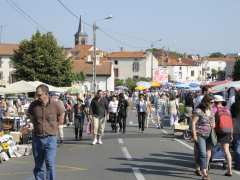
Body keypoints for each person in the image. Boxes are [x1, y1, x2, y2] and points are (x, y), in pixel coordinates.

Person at [28, 84, 65, 180]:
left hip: (51, 138)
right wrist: (32, 124)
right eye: (37, 94)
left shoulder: (56, 104)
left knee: (50, 163)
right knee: (39, 165)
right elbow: (31, 117)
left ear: (46, 94)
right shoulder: (33, 105)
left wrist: (57, 125)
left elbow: (62, 113)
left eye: (39, 95)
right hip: (37, 139)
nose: (37, 97)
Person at [192, 95, 215, 180]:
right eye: (211, 102)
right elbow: (193, 123)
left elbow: (213, 121)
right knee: (202, 153)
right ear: (206, 102)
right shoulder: (198, 111)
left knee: (204, 154)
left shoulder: (211, 110)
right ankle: (204, 173)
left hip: (209, 135)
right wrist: (194, 135)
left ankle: (199, 167)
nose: (213, 104)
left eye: (213, 102)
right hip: (200, 134)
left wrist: (213, 124)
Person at [214, 95, 233, 176]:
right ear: (221, 102)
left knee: (211, 148)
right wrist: (231, 134)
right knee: (227, 151)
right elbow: (231, 122)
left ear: (215, 102)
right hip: (228, 131)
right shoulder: (228, 110)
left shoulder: (216, 111)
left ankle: (206, 168)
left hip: (220, 132)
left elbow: (215, 124)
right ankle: (230, 170)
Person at [231, 92, 240, 170]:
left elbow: (232, 118)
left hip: (236, 127)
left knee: (237, 146)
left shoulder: (234, 105)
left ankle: (238, 164)